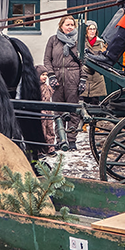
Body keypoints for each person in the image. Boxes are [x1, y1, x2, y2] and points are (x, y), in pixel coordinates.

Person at [43, 15, 87, 151]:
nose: (70, 27)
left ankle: (71, 140)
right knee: (58, 111)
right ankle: (60, 139)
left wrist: (83, 78)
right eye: (67, 25)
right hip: (57, 79)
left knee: (73, 111)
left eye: (72, 25)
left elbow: (84, 62)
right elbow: (47, 59)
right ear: (61, 26)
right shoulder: (53, 40)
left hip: (73, 78)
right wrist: (51, 75)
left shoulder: (79, 41)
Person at [80, 20, 108, 105]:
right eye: (90, 29)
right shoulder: (81, 42)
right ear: (86, 30)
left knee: (95, 103)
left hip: (96, 78)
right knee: (82, 102)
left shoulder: (101, 43)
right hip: (84, 76)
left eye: (94, 29)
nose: (92, 31)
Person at [36, 64, 56, 155]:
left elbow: (49, 94)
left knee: (50, 130)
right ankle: (39, 150)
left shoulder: (46, 86)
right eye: (42, 75)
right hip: (40, 112)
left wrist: (53, 88)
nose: (45, 77)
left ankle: (50, 148)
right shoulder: (36, 88)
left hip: (48, 111)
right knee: (41, 130)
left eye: (46, 75)